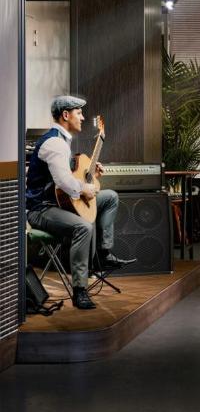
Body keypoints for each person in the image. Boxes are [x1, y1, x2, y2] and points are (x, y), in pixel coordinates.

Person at [26, 96, 135, 310]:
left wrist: (91, 173)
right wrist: (87, 188)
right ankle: (79, 290)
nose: (83, 117)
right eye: (79, 113)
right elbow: (65, 183)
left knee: (110, 197)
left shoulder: (62, 141)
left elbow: (68, 176)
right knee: (83, 228)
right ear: (66, 115)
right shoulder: (55, 143)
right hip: (42, 209)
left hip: (60, 203)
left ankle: (103, 254)